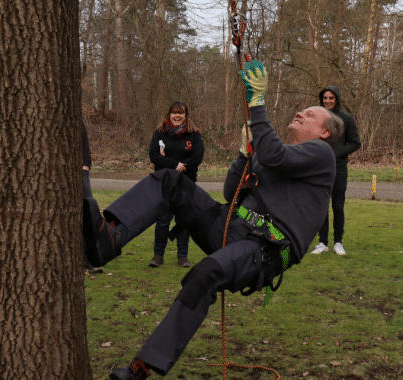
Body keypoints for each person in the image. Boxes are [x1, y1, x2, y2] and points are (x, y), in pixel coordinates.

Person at [82, 60, 344, 380]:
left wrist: (257, 103)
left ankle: (142, 368)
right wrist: (244, 154)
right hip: (224, 225)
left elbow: (273, 153)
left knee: (204, 274)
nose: (302, 112)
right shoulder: (281, 156)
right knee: (171, 181)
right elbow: (232, 189)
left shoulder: (321, 154)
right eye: (302, 109)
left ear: (324, 131)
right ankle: (109, 238)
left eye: (312, 113)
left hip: (262, 248)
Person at [148, 102, 205, 268]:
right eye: (174, 113)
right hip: (165, 183)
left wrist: (182, 167)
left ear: (186, 115)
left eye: (181, 113)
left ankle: (182, 257)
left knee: (183, 221)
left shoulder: (194, 134)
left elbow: (197, 157)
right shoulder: (160, 133)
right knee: (163, 220)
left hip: (186, 183)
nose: (177, 116)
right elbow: (153, 156)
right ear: (169, 114)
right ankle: (158, 255)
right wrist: (174, 165)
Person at [310, 86, 361, 256]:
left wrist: (337, 153)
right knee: (321, 207)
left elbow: (355, 142)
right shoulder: (317, 117)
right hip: (320, 170)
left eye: (331, 98)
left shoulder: (346, 118)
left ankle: (338, 242)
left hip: (338, 170)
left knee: (337, 207)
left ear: (337, 99)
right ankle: (322, 242)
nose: (328, 101)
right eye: (325, 98)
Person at [81, 121, 104, 274]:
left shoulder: (74, 117)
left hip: (80, 170)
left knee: (87, 213)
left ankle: (89, 259)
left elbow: (84, 141)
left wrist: (86, 164)